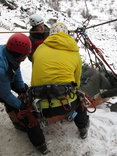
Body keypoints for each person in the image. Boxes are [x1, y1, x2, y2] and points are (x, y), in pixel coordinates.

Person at [29, 22, 90, 152]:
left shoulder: (39, 49)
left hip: (40, 106)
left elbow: (36, 72)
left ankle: (40, 145)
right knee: (80, 103)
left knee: (29, 116)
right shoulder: (75, 53)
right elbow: (76, 81)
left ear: (50, 34)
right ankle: (83, 128)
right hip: (66, 103)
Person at [0, 33, 47, 154]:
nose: (26, 58)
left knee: (24, 89)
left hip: (4, 74)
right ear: (18, 55)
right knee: (9, 102)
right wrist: (22, 106)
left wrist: (22, 89)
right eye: (25, 55)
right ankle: (16, 121)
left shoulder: (10, 54)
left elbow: (16, 69)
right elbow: (6, 95)